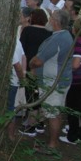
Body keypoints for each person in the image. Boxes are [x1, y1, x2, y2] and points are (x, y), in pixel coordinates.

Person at [29, 9, 74, 157]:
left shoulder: (57, 39)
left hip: (53, 83)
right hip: (61, 81)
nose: (49, 20)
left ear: (56, 22)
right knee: (55, 111)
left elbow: (38, 60)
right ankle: (53, 141)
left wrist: (31, 63)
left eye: (52, 17)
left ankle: (53, 144)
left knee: (53, 113)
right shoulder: (66, 35)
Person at [19, 7, 52, 136]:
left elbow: (22, 50)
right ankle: (40, 122)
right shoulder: (49, 33)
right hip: (43, 68)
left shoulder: (28, 30)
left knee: (31, 95)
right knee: (40, 95)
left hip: (30, 66)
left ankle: (31, 125)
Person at [61, 17, 81, 145]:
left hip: (77, 80)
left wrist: (67, 67)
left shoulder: (79, 42)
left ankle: (72, 136)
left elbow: (75, 64)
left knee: (72, 107)